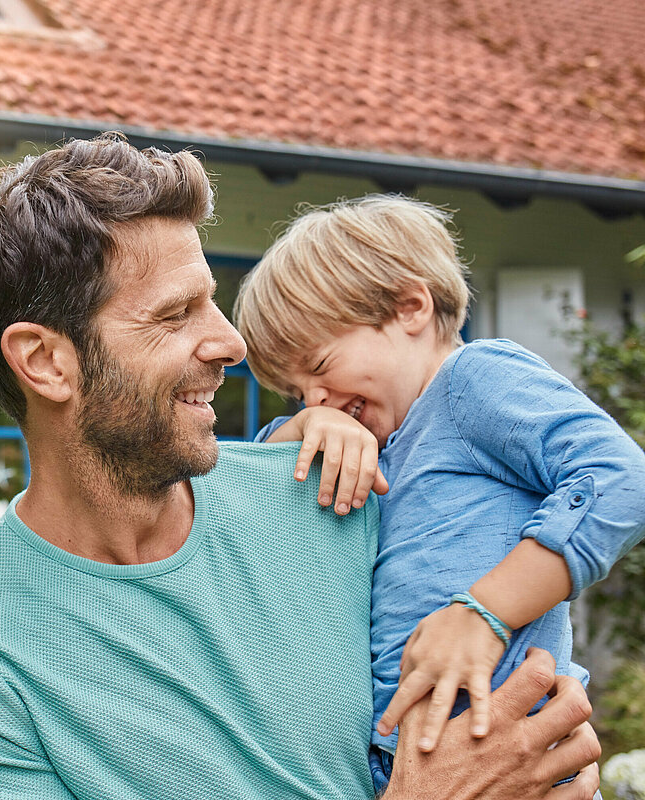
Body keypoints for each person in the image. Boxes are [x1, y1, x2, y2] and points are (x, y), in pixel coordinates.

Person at [0, 136, 601, 800]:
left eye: (213, 303)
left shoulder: (333, 491)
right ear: (45, 362)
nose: (230, 343)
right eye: (176, 315)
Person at [234, 194, 645, 794]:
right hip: (408, 768)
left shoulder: (471, 381)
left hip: (510, 744)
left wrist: (485, 615)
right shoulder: (373, 442)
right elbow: (246, 480)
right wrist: (301, 428)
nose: (315, 399)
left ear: (410, 308)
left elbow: (619, 478)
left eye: (321, 365)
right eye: (297, 393)